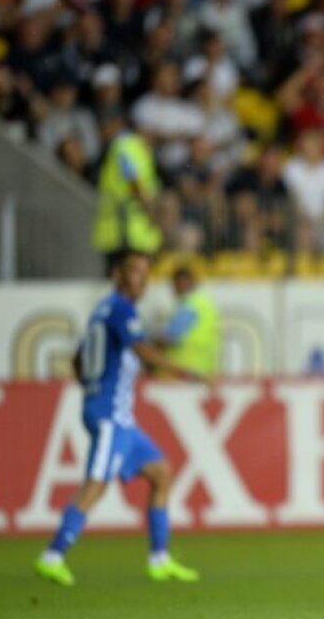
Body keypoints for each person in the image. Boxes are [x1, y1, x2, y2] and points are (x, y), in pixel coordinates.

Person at [35, 249, 207, 587]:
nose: (141, 280)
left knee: (161, 473)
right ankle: (52, 555)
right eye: (134, 272)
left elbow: (77, 359)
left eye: (145, 274)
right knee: (96, 485)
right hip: (110, 416)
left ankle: (159, 559)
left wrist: (90, 386)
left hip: (119, 417)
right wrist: (182, 371)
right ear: (117, 275)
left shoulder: (102, 311)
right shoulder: (120, 308)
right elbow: (142, 350)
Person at [91, 106, 163, 276]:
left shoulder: (128, 145)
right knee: (131, 277)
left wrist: (149, 208)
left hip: (128, 229)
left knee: (126, 277)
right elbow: (134, 177)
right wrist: (149, 209)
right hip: (128, 228)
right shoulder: (130, 146)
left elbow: (134, 177)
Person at [159, 265, 221, 379]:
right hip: (204, 369)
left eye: (178, 283)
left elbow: (171, 338)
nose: (177, 287)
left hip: (184, 370)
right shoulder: (204, 303)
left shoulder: (189, 306)